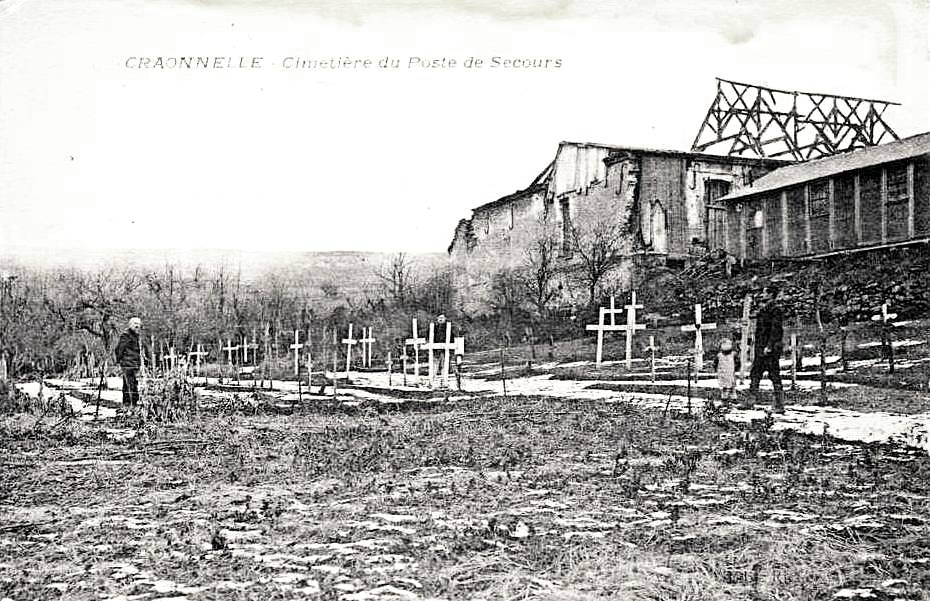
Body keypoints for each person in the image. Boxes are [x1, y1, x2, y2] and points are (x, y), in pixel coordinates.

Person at [741, 286, 785, 413]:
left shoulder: (776, 310)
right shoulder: (763, 310)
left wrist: (769, 346)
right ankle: (750, 401)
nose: (762, 294)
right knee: (755, 373)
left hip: (770, 349)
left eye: (765, 292)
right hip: (760, 348)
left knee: (774, 375)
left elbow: (776, 330)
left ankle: (779, 405)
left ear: (771, 295)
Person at [115, 317, 142, 406]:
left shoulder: (135, 335)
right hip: (127, 364)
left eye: (138, 324)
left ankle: (127, 403)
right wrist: (119, 361)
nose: (137, 326)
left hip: (134, 364)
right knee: (131, 385)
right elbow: (119, 349)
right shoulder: (126, 335)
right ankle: (132, 404)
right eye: (135, 324)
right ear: (130, 325)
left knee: (128, 384)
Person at [712, 337, 740, 406]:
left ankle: (734, 398)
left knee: (732, 386)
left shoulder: (733, 354)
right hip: (723, 373)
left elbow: (738, 362)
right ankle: (724, 398)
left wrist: (736, 368)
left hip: (730, 372)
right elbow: (715, 363)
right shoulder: (719, 355)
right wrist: (716, 369)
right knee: (725, 387)